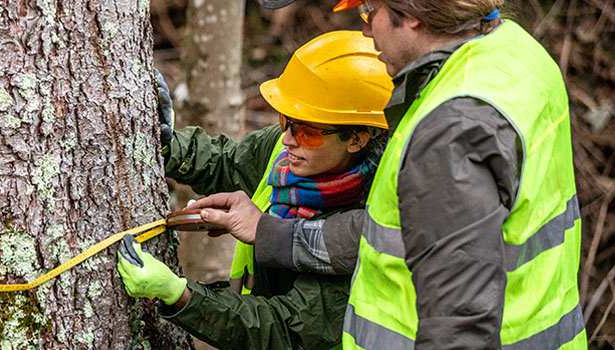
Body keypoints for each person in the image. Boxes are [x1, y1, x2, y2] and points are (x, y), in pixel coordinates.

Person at [191, 0, 588, 348]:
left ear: (410, 15)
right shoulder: (515, 53)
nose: (365, 28)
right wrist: (273, 234)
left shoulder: (454, 129)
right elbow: (392, 231)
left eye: (370, 10)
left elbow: (459, 323)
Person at [117, 30, 393, 349]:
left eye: (307, 131)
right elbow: (225, 161)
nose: (288, 137)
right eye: (286, 120)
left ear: (358, 138)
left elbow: (280, 329)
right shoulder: (283, 152)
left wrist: (178, 295)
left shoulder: (365, 226)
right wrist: (165, 146)